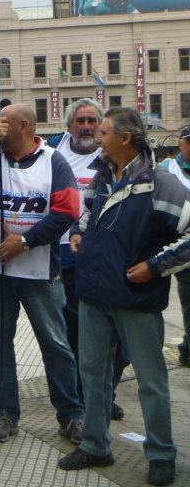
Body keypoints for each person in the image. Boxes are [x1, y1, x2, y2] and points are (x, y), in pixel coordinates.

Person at [57, 108, 190, 486]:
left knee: (151, 379)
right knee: (93, 375)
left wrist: (156, 265)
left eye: (103, 131)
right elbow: (89, 213)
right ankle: (96, 446)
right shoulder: (103, 176)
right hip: (94, 294)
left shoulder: (159, 184)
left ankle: (162, 454)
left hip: (136, 300)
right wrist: (81, 232)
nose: (97, 137)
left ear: (125, 138)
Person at [0, 103, 85, 445]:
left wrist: (26, 241)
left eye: (4, 123)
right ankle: (5, 413)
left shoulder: (52, 161)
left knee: (55, 344)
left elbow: (68, 210)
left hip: (38, 271)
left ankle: (71, 414)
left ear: (24, 126)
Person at [47, 99, 126, 418]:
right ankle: (84, 396)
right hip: (65, 257)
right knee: (75, 331)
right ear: (69, 126)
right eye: (80, 121)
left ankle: (104, 390)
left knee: (118, 335)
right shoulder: (54, 154)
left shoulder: (112, 154)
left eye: (93, 121)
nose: (87, 127)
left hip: (108, 256)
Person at [159, 125, 190, 367]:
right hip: (173, 246)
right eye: (189, 142)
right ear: (180, 144)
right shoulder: (167, 169)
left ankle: (187, 348)